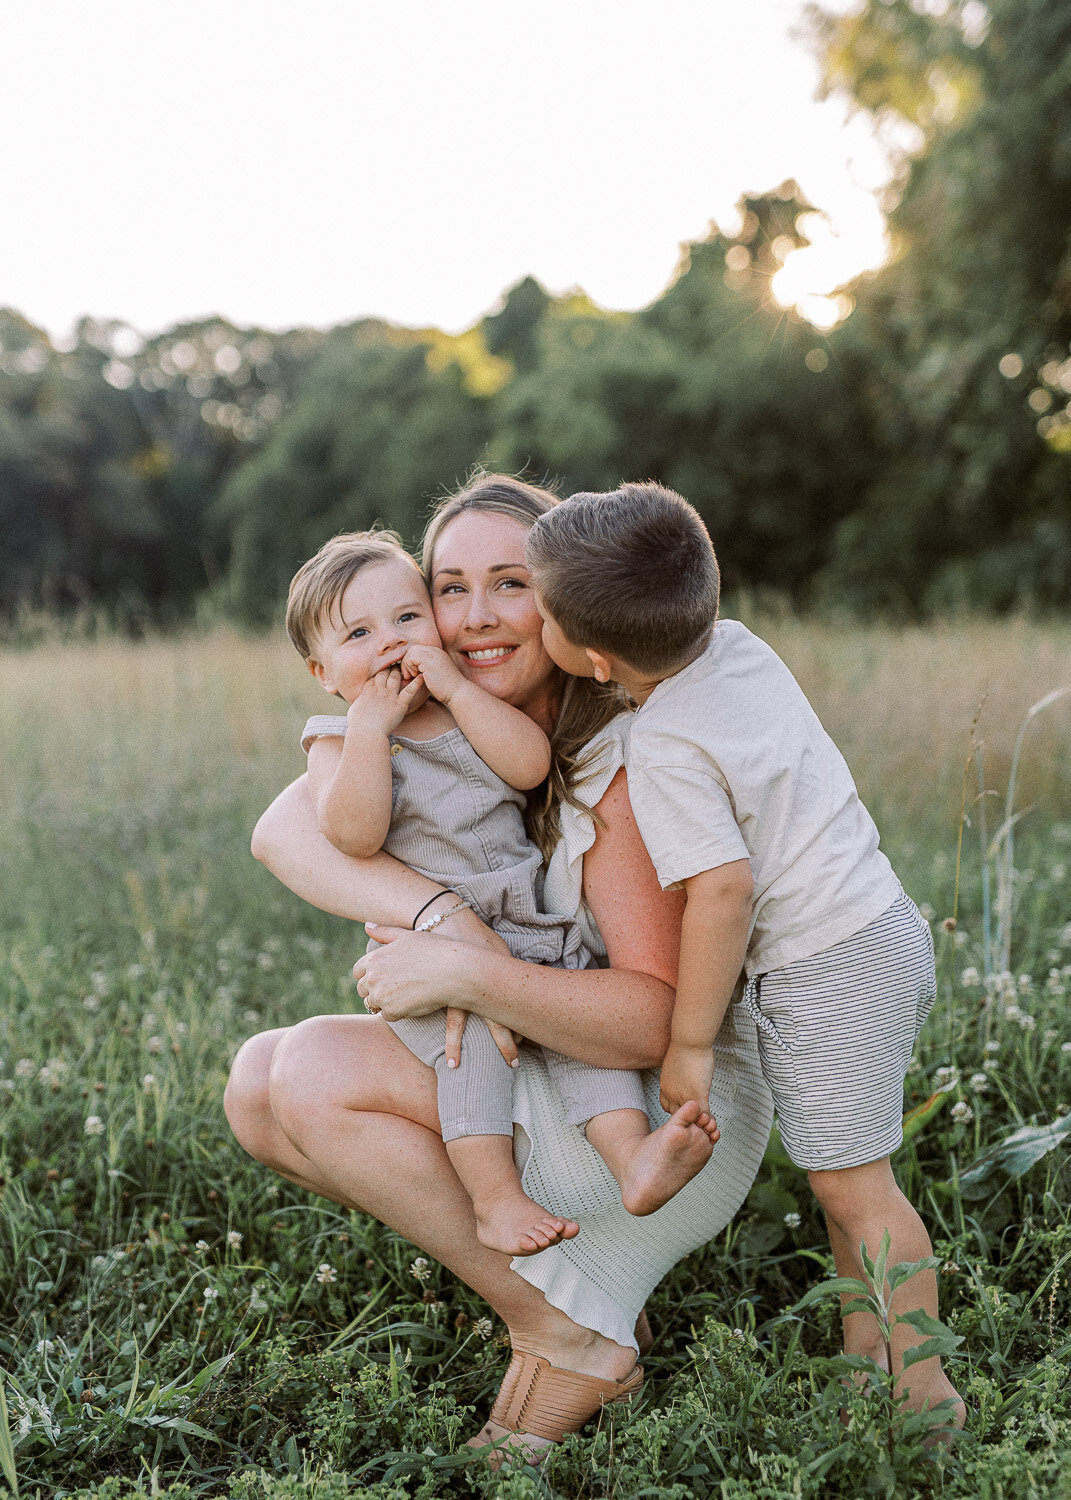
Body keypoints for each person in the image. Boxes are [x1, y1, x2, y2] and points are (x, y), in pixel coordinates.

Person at [224, 474, 773, 1464]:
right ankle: (584, 1304)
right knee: (259, 1080)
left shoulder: (618, 759)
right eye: (448, 587)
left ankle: (571, 1333)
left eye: (510, 584)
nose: (471, 619)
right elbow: (282, 830)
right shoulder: (437, 722)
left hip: (660, 1108)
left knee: (303, 1075)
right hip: (552, 1052)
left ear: (564, 600)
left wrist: (468, 976)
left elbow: (654, 1022)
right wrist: (447, 924)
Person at [524, 479, 966, 1432]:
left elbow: (722, 892)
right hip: (877, 926)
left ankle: (926, 1399)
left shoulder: (668, 746)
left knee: (857, 1188)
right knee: (848, 1174)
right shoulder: (738, 648)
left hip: (823, 966)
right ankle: (865, 1369)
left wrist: (687, 1044)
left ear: (591, 657)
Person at [285, 528, 719, 1258]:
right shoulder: (339, 738)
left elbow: (525, 766)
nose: (390, 642)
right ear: (322, 671)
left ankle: (632, 1158)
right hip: (432, 957)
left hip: (527, 921)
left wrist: (453, 686)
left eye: (406, 618)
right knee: (469, 1057)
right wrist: (369, 730)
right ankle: (494, 1198)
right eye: (358, 634)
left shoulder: (463, 705)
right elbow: (352, 834)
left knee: (591, 1050)